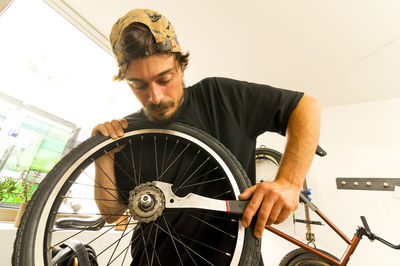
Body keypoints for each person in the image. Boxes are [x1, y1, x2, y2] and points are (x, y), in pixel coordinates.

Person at [92, 8, 321, 265]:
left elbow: (305, 106)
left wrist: (289, 182)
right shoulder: (129, 131)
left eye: (164, 78)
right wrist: (103, 155)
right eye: (139, 85)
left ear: (180, 64)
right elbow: (114, 214)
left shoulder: (219, 97)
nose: (155, 97)